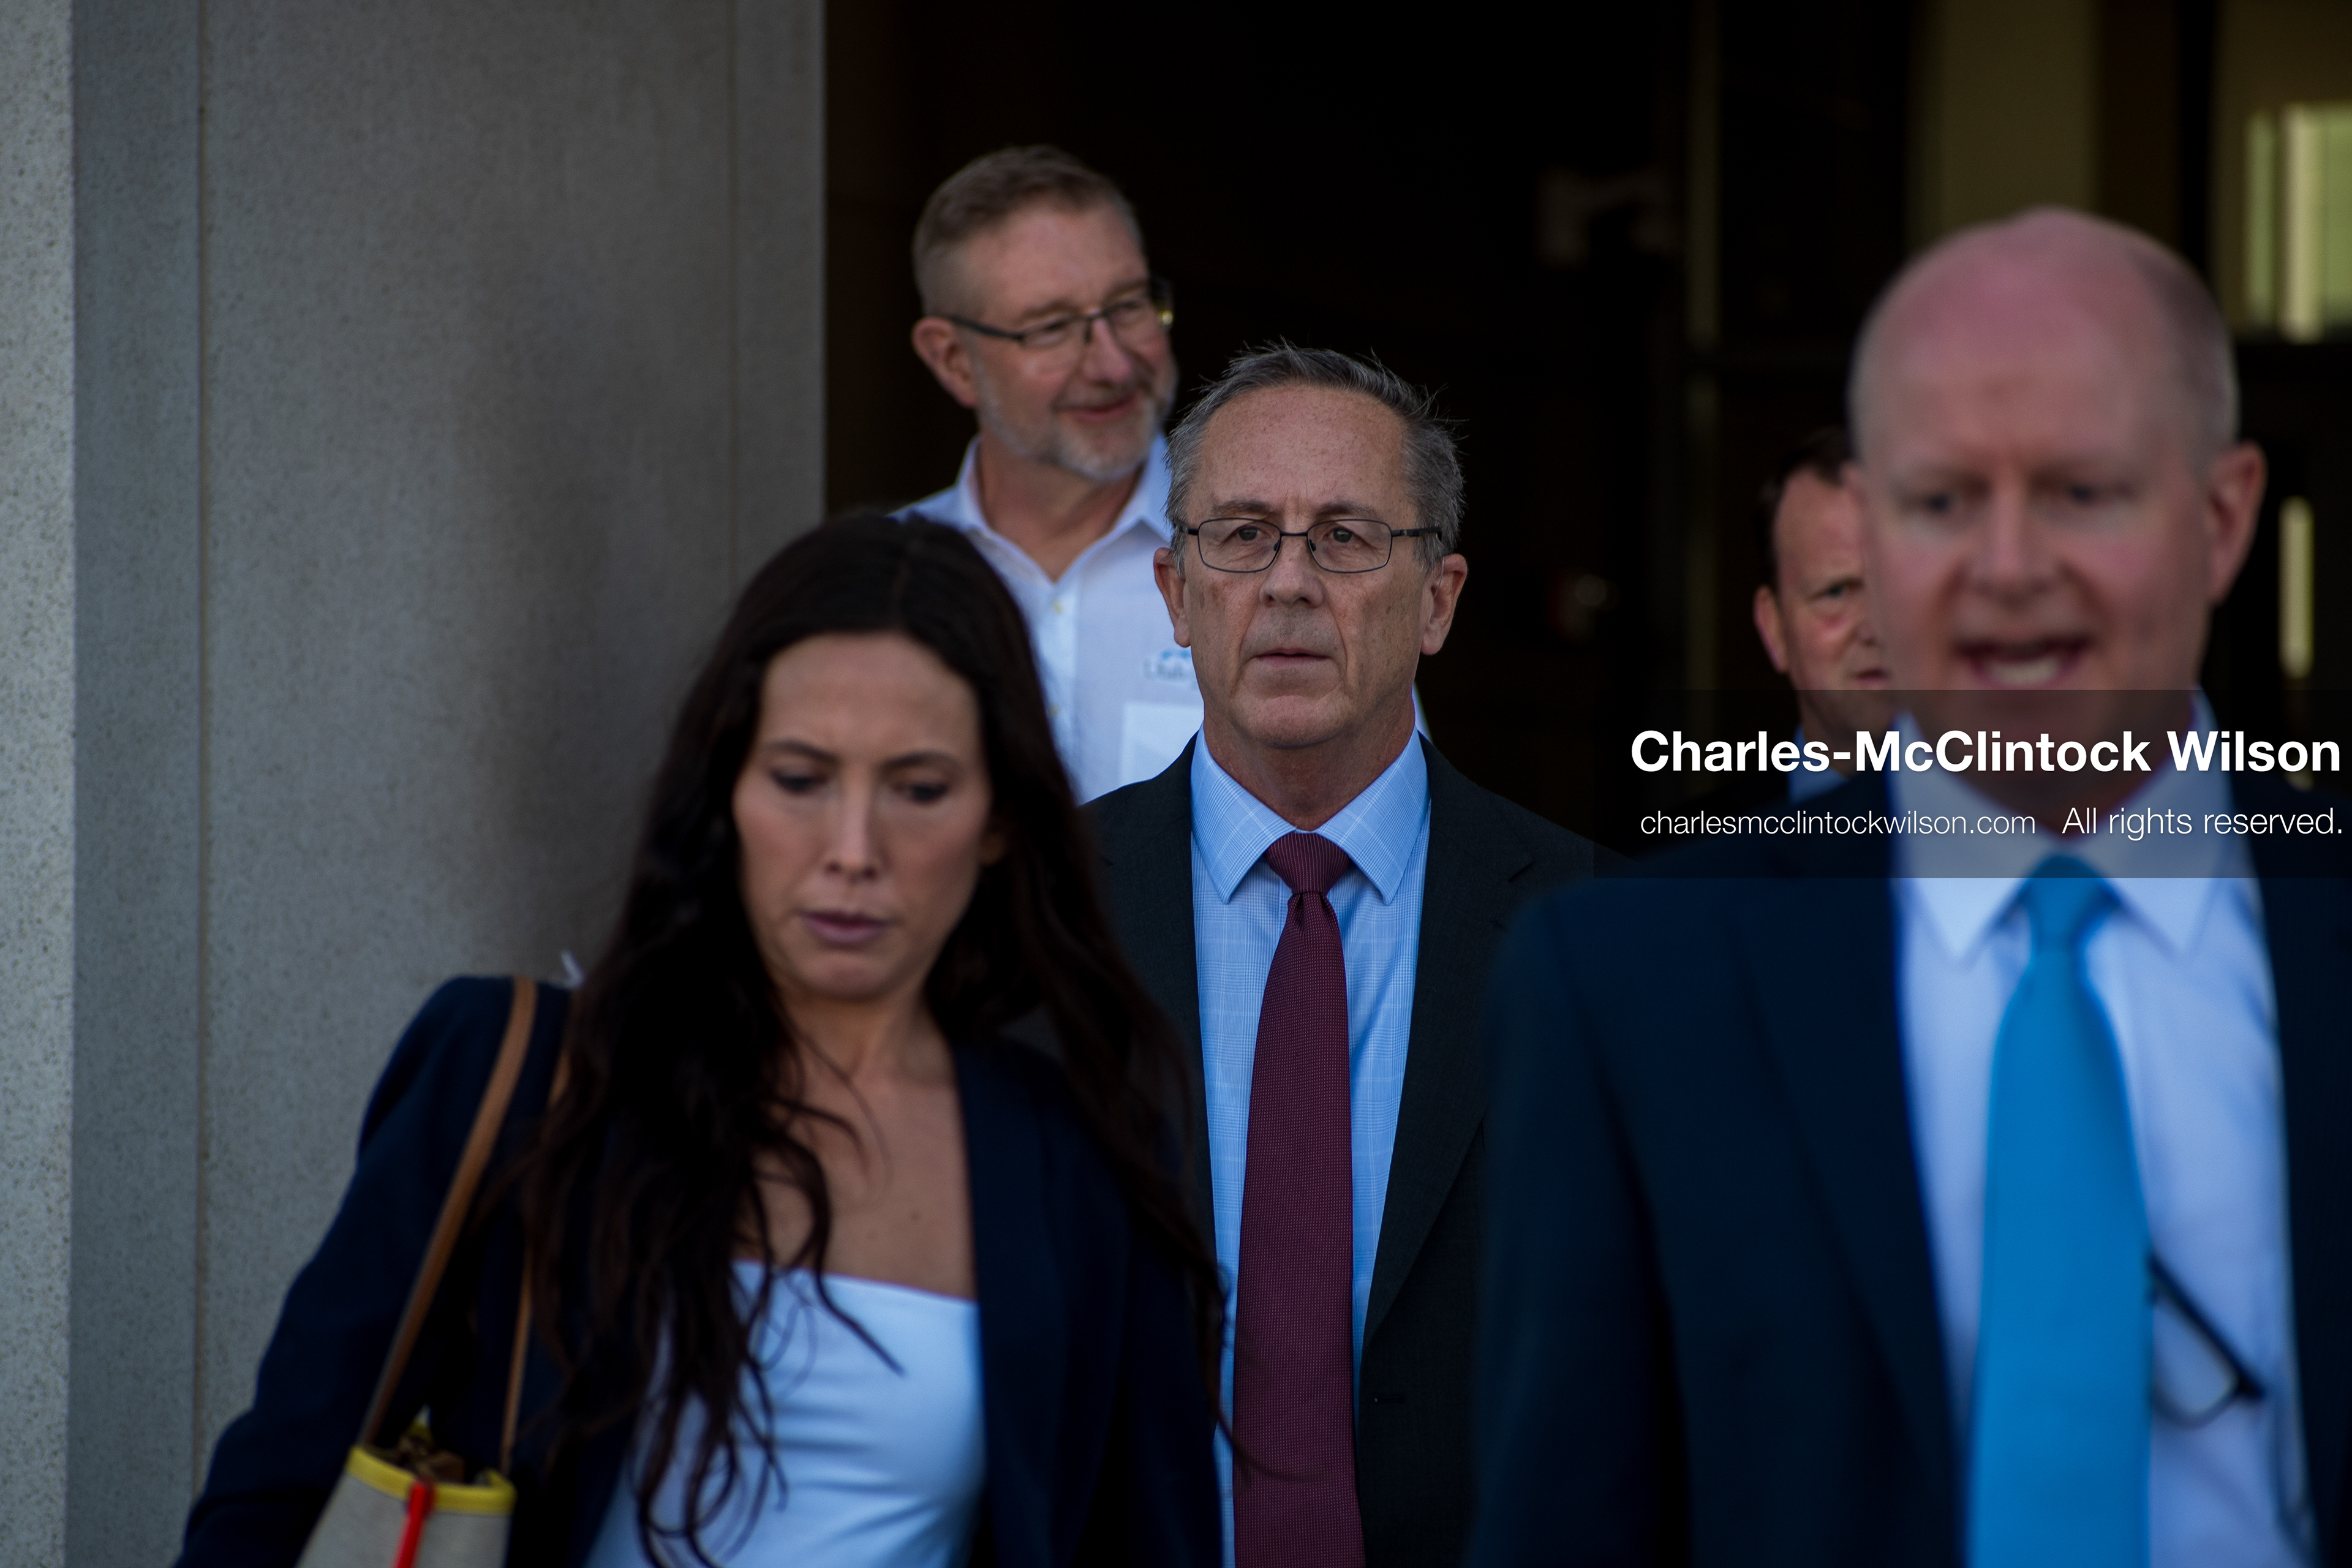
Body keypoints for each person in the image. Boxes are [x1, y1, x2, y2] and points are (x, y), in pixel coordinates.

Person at [1471, 208, 2351, 1568]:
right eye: (1942, 501)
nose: (2007, 568)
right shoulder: (1630, 991)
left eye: (2082, 491)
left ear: (2226, 517)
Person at [177, 518, 1223, 1567]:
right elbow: (270, 1506)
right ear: (726, 789)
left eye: (919, 789)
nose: (852, 852)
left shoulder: (1078, 1156)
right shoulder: (521, 1079)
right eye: (802, 779)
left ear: (1000, 819)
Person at [1089, 346, 1604, 1567]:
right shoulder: (1028, 907)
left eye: (1346, 537)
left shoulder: (1596, 933)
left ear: (1439, 599)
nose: (1287, 583)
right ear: (1173, 591)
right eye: (1243, 533)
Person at [904, 145, 1202, 802]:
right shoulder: (880, 584)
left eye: (1129, 305)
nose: (1115, 367)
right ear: (953, 360)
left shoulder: (1265, 565)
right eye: (1052, 327)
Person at [1748, 426, 1892, 798]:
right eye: (1836, 592)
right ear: (1775, 629)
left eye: (1898, 588)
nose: (1875, 629)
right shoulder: (1689, 849)